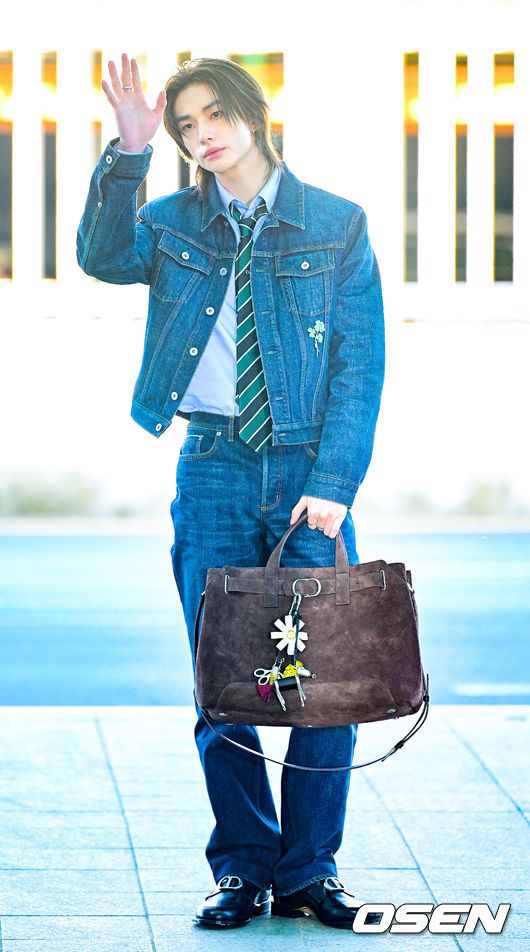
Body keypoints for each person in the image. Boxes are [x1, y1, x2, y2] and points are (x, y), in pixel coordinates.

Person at [77, 52, 385, 931]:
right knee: (222, 683)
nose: (202, 134)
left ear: (253, 113)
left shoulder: (336, 224)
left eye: (214, 114)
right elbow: (102, 256)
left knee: (325, 682)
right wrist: (128, 153)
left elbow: (360, 361)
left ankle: (310, 870)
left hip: (306, 473)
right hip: (212, 463)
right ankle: (244, 867)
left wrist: (335, 481)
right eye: (185, 125)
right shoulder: (171, 222)